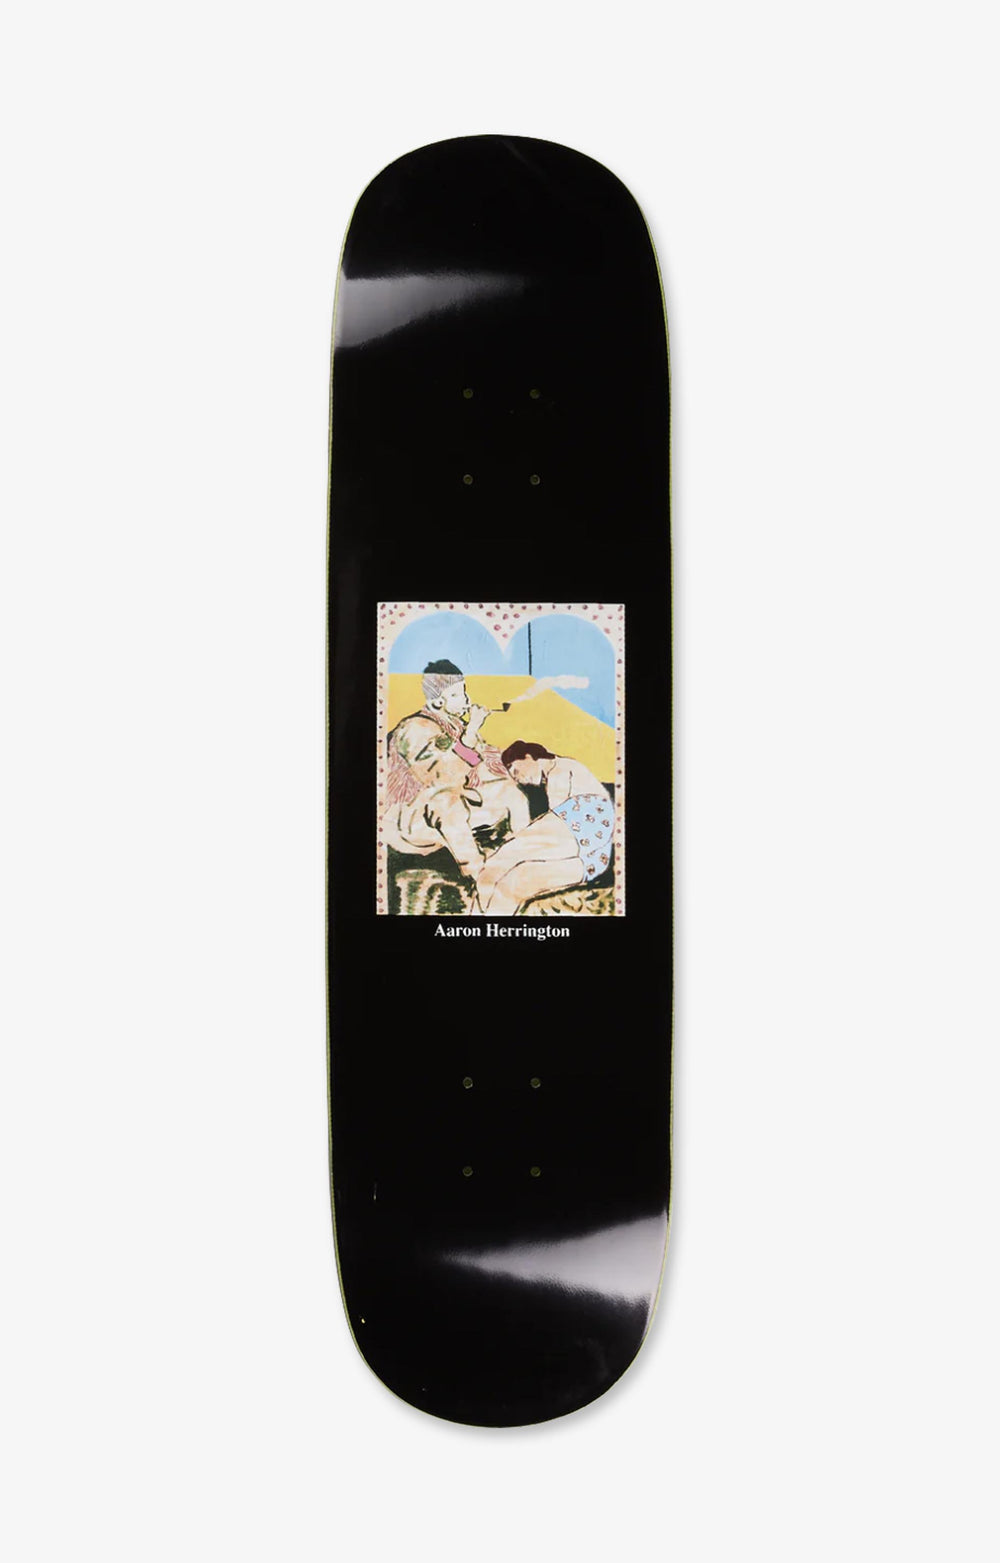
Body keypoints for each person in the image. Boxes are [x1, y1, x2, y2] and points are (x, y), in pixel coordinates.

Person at [472, 740, 615, 915]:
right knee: (515, 880)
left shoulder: (561, 768)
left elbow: (555, 830)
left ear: (528, 756)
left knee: (502, 857)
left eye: (516, 771)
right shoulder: (553, 781)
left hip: (587, 824)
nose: (519, 779)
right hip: (592, 862)